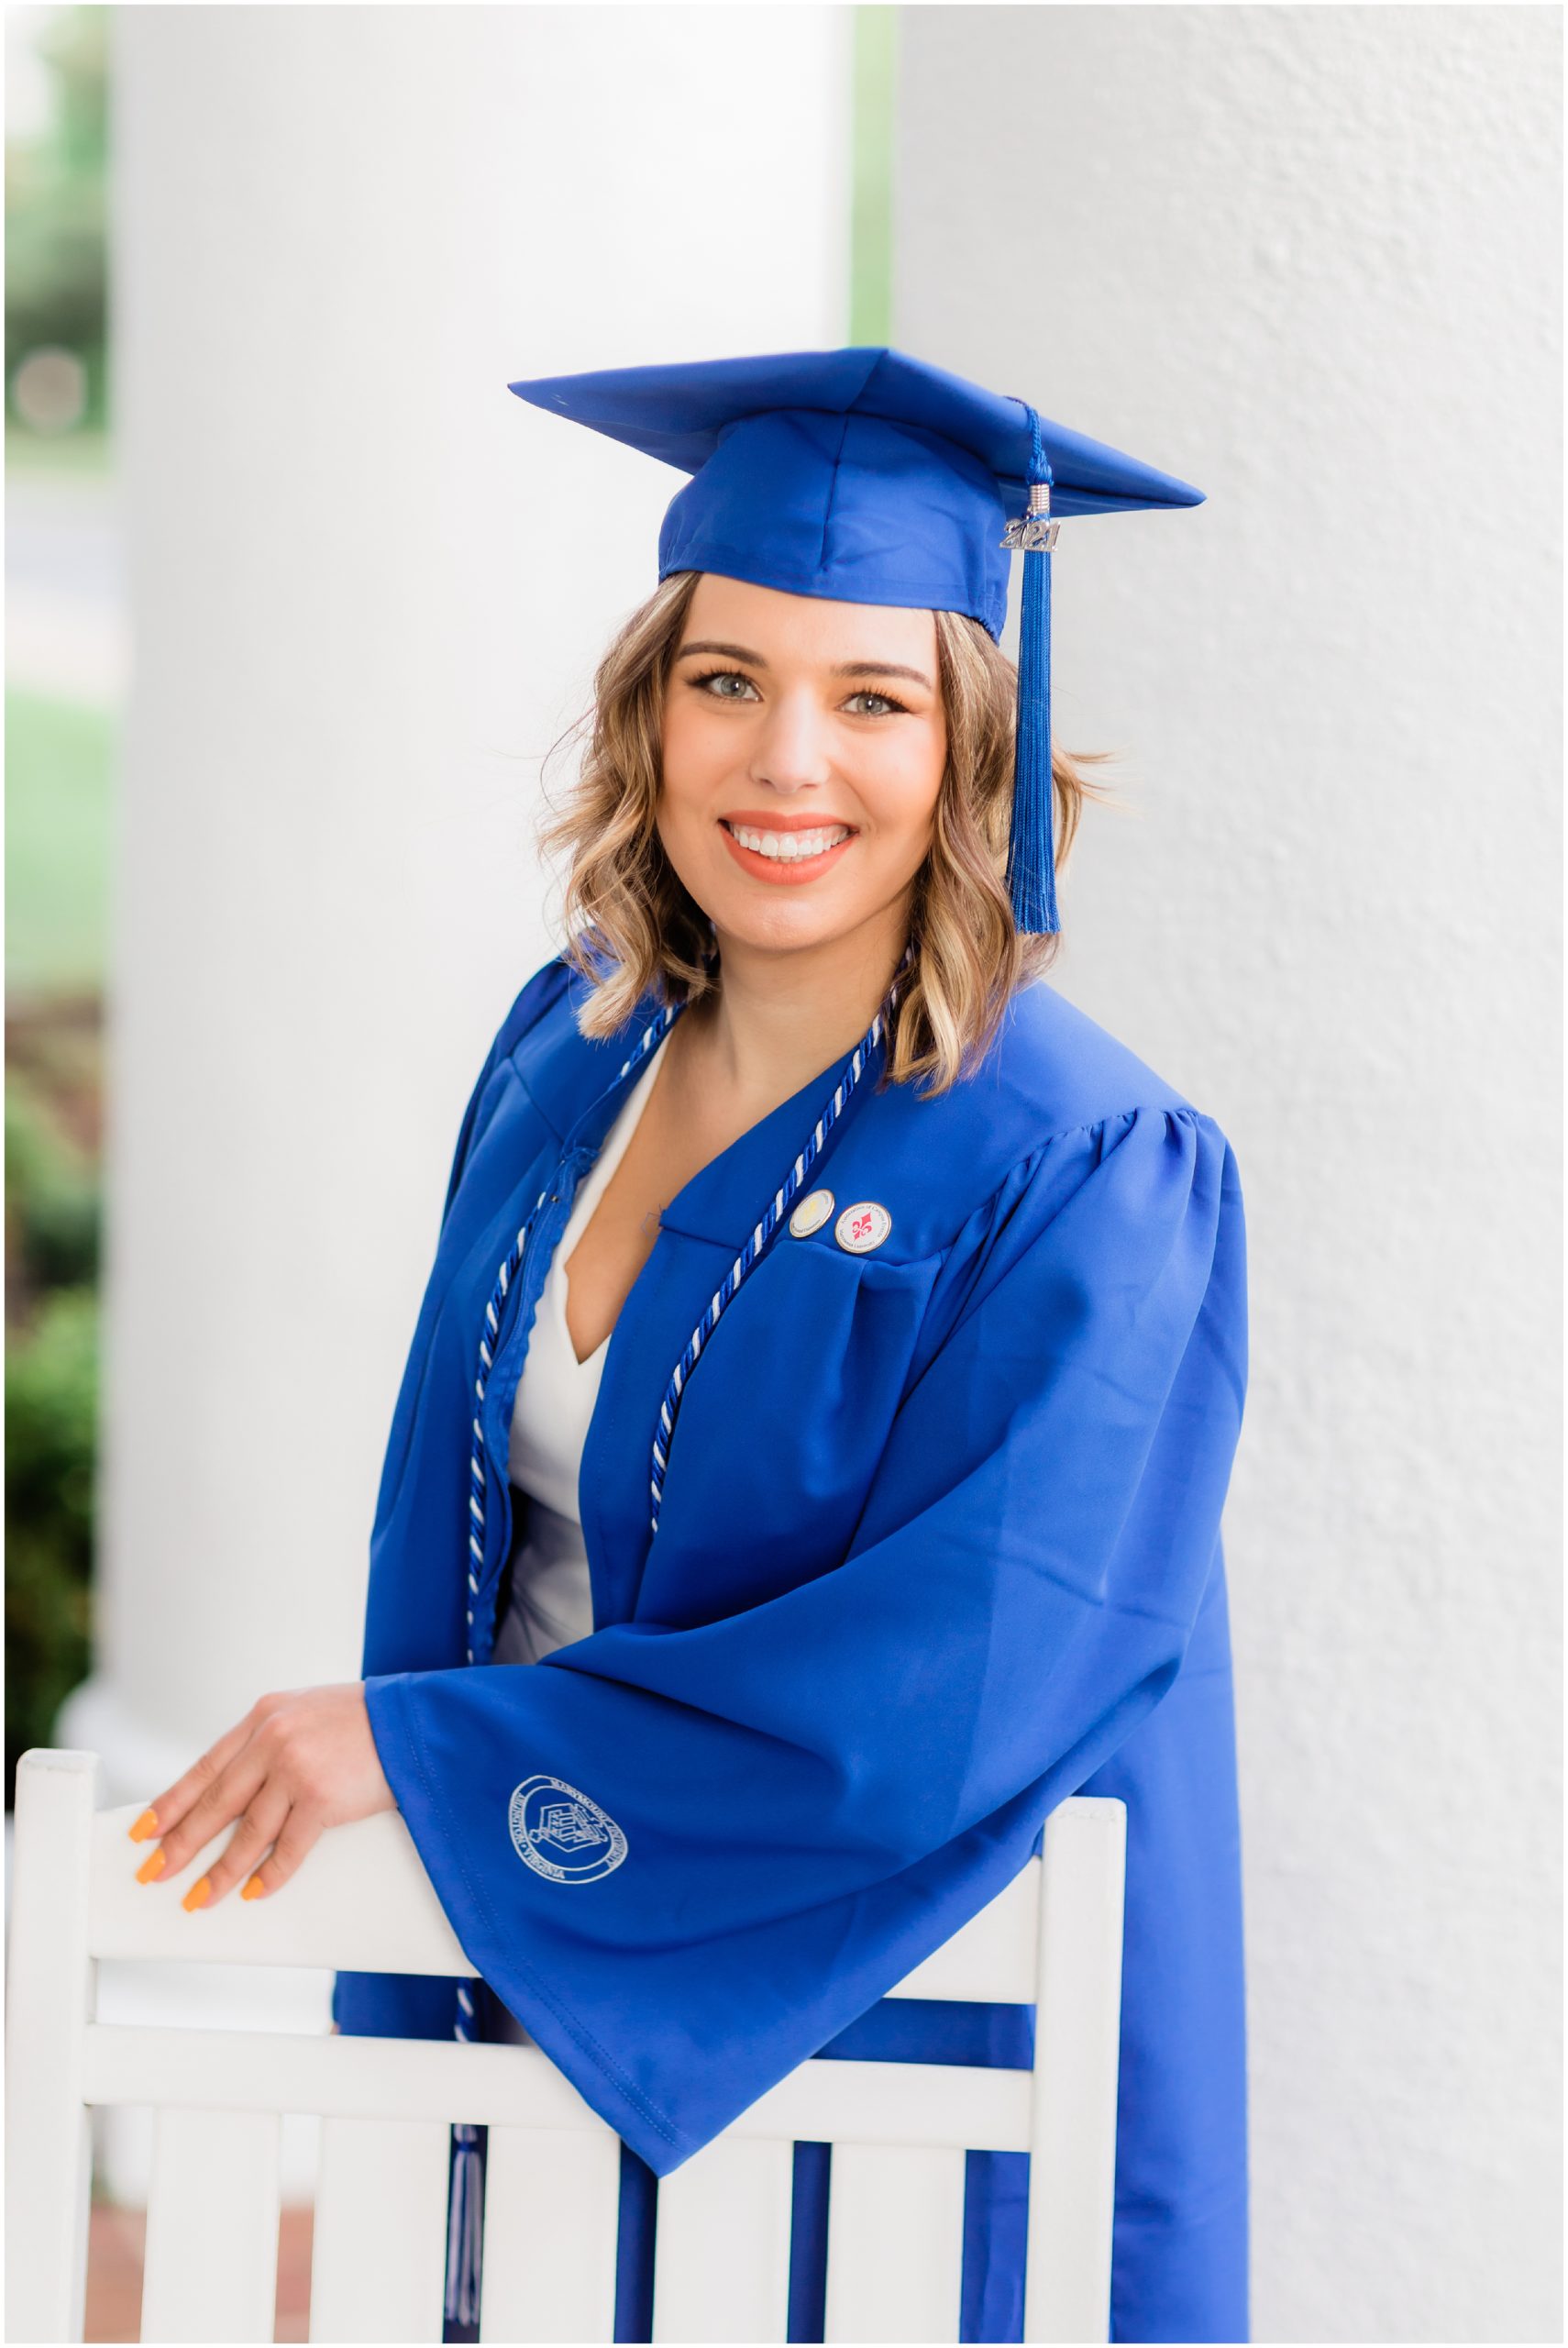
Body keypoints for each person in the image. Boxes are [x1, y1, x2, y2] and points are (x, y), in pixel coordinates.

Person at [124, 348, 1250, 2343]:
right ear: (646, 709)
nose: (784, 760)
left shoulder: (1084, 1163)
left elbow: (959, 1684)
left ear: (976, 743)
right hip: (535, 1989)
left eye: (873, 697)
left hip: (893, 2061)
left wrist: (422, 1741)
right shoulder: (567, 1049)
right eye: (725, 680)